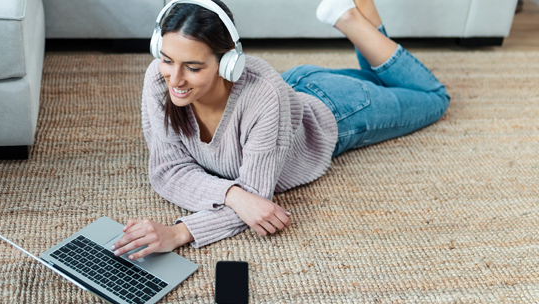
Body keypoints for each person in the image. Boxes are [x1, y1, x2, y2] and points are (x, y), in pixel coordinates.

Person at [111, 0, 450, 260]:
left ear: (229, 62)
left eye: (194, 67)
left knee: (433, 98)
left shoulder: (262, 96)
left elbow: (259, 199)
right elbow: (168, 171)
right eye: (167, 59)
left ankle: (349, 20)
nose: (176, 79)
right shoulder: (159, 79)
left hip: (338, 109)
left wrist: (180, 232)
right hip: (290, 94)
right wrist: (234, 195)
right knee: (387, 80)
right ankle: (357, 16)